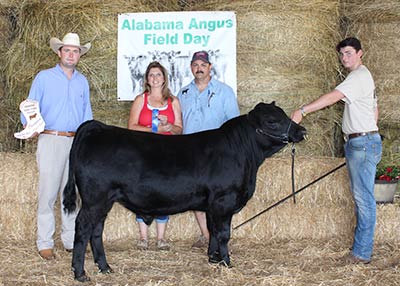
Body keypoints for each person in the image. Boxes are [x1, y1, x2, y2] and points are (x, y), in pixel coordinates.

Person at [291, 37, 382, 264]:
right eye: (342, 54)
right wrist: (369, 131)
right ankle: (361, 250)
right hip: (363, 141)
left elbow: (334, 97)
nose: (344, 58)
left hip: (362, 143)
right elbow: (375, 109)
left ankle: (361, 253)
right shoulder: (365, 76)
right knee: (362, 197)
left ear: (361, 52)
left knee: (364, 199)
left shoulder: (358, 76)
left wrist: (303, 110)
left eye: (349, 53)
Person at [20, 32, 93, 260]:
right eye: (67, 50)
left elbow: (86, 115)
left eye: (76, 51)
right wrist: (30, 126)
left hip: (76, 141)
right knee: (49, 192)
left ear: (79, 56)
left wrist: (89, 141)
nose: (71, 54)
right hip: (50, 138)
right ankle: (45, 242)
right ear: (59, 52)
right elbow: (29, 109)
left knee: (71, 192)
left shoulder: (83, 82)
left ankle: (71, 240)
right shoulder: (43, 78)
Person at [177, 50, 240, 248]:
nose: (199, 68)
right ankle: (207, 235)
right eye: (195, 65)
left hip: (217, 152)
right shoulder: (183, 93)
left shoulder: (225, 91)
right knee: (197, 193)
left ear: (210, 67)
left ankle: (216, 233)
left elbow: (234, 123)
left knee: (218, 194)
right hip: (191, 150)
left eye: (203, 65)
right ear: (191, 68)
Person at [128, 61, 183, 250]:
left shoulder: (173, 101)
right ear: (147, 79)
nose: (155, 78)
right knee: (142, 192)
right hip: (143, 154)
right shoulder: (140, 100)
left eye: (158, 74)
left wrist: (169, 127)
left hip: (167, 153)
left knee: (164, 193)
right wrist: (153, 129)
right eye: (151, 75)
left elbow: (179, 129)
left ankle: (161, 239)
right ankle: (143, 237)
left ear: (164, 78)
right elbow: (131, 127)